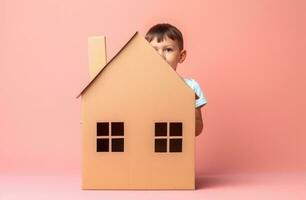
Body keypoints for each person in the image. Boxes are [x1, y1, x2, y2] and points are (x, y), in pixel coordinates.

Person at [145, 23, 208, 136]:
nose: (160, 56)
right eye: (153, 50)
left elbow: (197, 129)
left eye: (168, 49)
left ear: (181, 56)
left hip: (176, 146)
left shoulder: (190, 86)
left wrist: (184, 99)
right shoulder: (142, 86)